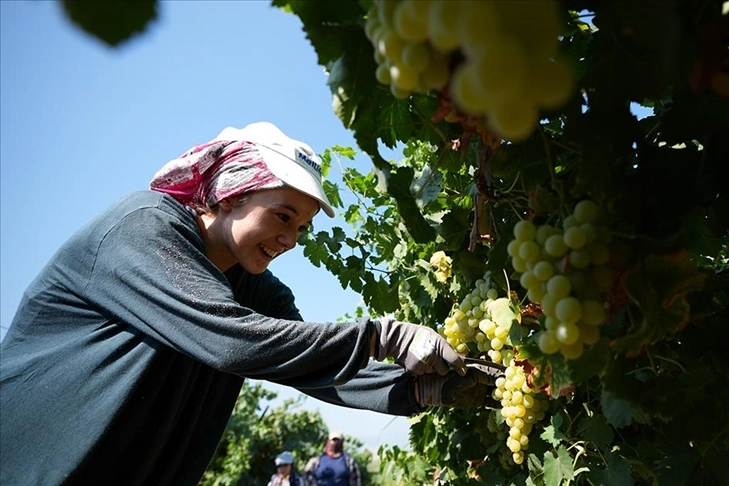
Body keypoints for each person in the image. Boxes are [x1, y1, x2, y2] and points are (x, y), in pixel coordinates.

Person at [0, 121, 502, 486]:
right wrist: (385, 335)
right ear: (231, 195)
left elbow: (308, 365)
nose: (291, 238)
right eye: (282, 216)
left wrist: (425, 393)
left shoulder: (254, 287)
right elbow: (237, 340)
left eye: (301, 227)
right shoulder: (144, 229)